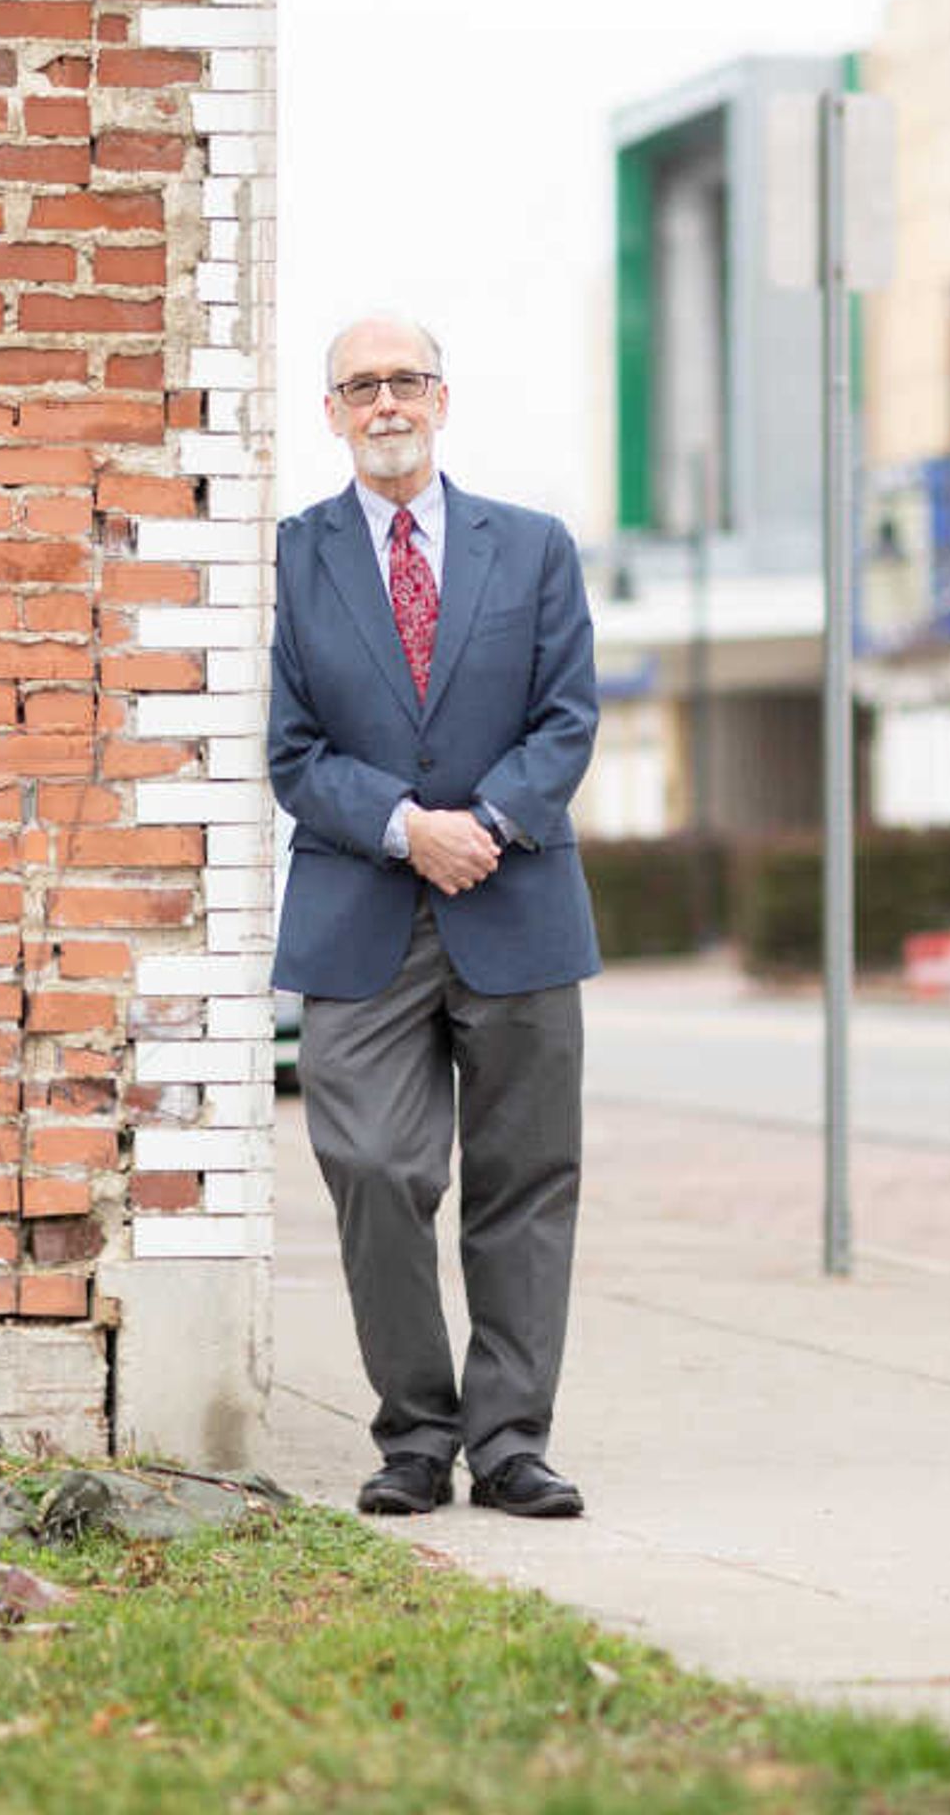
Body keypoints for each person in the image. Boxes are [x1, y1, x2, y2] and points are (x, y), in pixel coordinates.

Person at [268, 313, 601, 1520]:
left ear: (442, 398)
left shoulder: (534, 547)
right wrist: (413, 826)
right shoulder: (294, 557)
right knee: (370, 1164)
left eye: (405, 380)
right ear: (334, 413)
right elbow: (293, 753)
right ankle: (415, 1432)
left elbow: (567, 716)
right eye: (361, 386)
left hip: (516, 903)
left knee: (523, 1181)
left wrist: (491, 825)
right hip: (361, 907)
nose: (386, 403)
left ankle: (510, 1442)